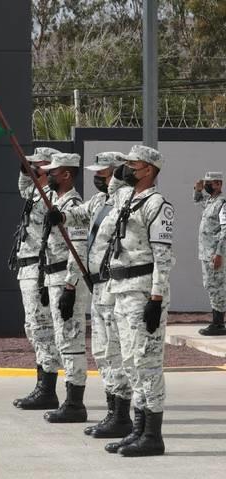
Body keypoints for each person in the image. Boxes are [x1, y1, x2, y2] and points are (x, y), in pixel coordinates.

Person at [47, 152, 133, 437]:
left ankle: (121, 415)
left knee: (115, 351)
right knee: (102, 351)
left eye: (103, 172)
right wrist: (61, 214)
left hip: (114, 285)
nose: (97, 177)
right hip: (97, 286)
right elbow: (79, 215)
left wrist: (70, 285)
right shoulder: (98, 201)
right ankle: (112, 413)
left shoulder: (126, 201)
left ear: (117, 172)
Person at [101, 145, 173, 457]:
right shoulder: (127, 198)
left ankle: (153, 436)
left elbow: (163, 258)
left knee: (147, 364)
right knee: (130, 363)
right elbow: (113, 190)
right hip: (121, 289)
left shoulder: (158, 205)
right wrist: (119, 172)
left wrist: (156, 298)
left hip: (144, 291)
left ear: (150, 169)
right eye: (128, 164)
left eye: (135, 164)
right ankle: (138, 429)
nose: (128, 168)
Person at [37, 153, 89, 423]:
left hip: (67, 280)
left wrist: (70, 287)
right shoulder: (56, 202)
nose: (49, 176)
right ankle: (69, 400)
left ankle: (74, 404)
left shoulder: (74, 204)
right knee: (62, 340)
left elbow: (78, 248)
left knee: (71, 342)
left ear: (67, 174)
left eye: (54, 172)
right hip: (53, 277)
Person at [10, 147, 61, 410]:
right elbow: (23, 187)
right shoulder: (35, 192)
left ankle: (47, 388)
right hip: (27, 267)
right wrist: (25, 171)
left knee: (42, 328)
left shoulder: (51, 196)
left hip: (40, 269)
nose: (31, 170)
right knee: (34, 327)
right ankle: (42, 382)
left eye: (36, 166)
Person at [193, 172, 226, 336]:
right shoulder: (211, 202)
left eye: (210, 183)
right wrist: (197, 190)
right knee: (211, 286)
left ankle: (219, 324)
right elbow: (197, 201)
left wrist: (219, 253)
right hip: (206, 253)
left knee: (217, 287)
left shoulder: (222, 203)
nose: (207, 185)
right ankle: (217, 322)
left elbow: (225, 230)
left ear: (219, 184)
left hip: (215, 253)